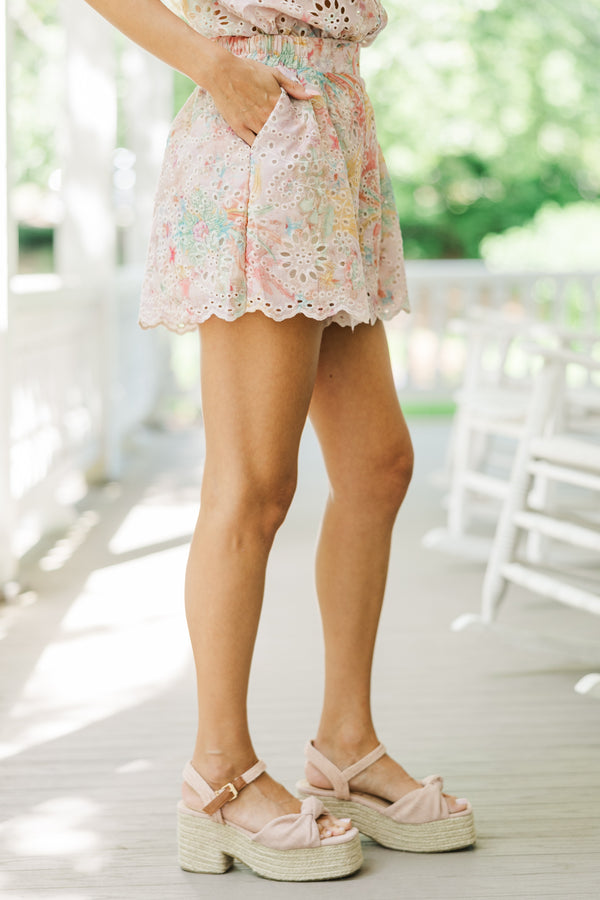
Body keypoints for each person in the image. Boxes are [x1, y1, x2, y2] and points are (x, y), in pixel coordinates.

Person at [84, 0, 475, 881]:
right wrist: (214, 66)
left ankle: (347, 747)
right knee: (254, 487)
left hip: (336, 133)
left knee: (378, 467)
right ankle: (218, 776)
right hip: (257, 129)